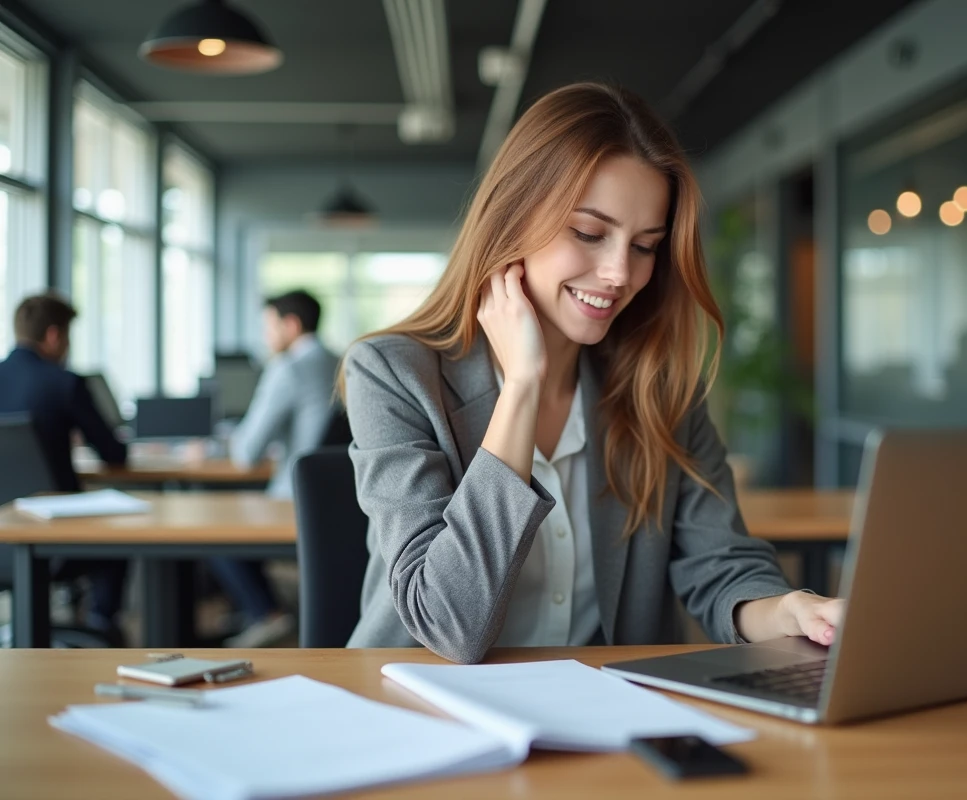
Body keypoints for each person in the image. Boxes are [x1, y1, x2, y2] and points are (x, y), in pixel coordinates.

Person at [339, 82, 845, 662]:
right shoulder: (393, 374)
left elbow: (721, 564)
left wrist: (788, 609)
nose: (618, 273)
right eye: (589, 233)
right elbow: (448, 623)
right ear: (512, 219)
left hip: (606, 716)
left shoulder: (658, 388)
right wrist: (523, 386)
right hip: (424, 712)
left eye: (646, 246)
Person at [211, 290, 339, 647]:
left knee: (213, 532)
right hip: (342, 499)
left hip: (293, 499)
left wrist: (220, 443)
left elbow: (246, 453)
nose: (265, 338)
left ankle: (265, 612)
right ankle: (256, 608)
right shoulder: (342, 360)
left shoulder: (288, 367)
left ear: (291, 325)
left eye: (268, 327)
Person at [0, 293, 128, 643]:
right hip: (51, 539)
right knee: (121, 540)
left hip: (3, 533)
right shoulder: (64, 382)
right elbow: (114, 454)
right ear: (55, 335)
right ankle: (101, 624)